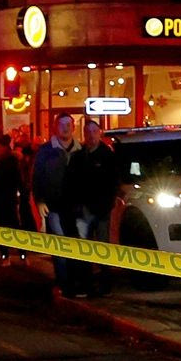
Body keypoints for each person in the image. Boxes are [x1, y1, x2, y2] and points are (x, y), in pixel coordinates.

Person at [64, 118, 119, 295]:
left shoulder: (108, 156)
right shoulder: (78, 157)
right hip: (82, 210)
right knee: (85, 249)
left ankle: (105, 283)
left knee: (102, 247)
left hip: (101, 210)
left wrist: (106, 205)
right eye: (88, 132)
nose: (91, 136)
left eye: (94, 132)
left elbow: (113, 184)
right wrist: (76, 206)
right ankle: (86, 283)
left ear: (100, 133)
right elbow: (71, 183)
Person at [31, 113, 81, 294]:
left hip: (76, 208)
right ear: (55, 127)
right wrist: (40, 200)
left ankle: (75, 281)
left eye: (68, 125)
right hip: (54, 206)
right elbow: (37, 177)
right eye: (61, 125)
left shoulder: (80, 151)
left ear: (73, 127)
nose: (65, 128)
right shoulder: (46, 151)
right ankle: (63, 282)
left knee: (76, 245)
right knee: (59, 246)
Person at [0, 134, 28, 264]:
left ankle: (22, 254)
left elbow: (18, 180)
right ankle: (5, 254)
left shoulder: (11, 161)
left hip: (8, 199)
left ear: (4, 147)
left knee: (14, 226)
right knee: (1, 228)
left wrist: (22, 194)